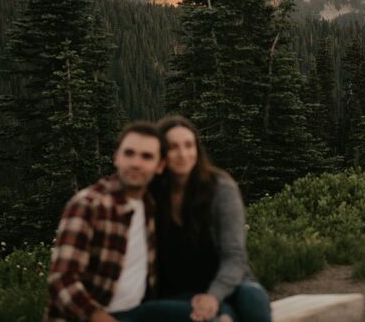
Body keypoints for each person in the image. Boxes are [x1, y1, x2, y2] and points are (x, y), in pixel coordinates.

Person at [45, 121, 195, 322]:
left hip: (138, 311)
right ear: (116, 157)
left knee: (216, 315)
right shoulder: (88, 205)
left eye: (147, 156)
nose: (136, 163)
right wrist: (99, 317)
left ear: (160, 166)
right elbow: (61, 280)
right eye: (129, 153)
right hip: (89, 316)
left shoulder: (150, 205)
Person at [152, 115, 272, 322]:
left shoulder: (221, 188)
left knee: (253, 298)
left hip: (229, 284)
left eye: (189, 145)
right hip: (178, 291)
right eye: (173, 147)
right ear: (160, 153)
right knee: (221, 317)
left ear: (197, 149)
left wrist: (214, 296)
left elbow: (234, 256)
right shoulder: (151, 194)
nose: (183, 154)